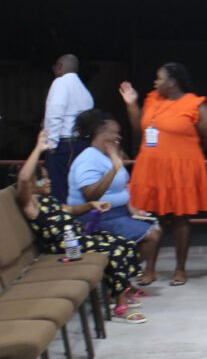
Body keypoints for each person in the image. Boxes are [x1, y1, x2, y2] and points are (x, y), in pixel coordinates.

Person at [18, 131, 146, 323]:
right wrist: (38, 148)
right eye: (42, 179)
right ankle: (120, 306)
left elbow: (70, 209)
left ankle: (119, 291)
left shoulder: (49, 200)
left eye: (47, 177)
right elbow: (23, 178)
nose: (48, 181)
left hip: (78, 239)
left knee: (124, 243)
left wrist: (91, 205)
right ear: (31, 184)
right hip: (64, 248)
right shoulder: (31, 204)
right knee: (115, 251)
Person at [118, 62, 207, 286]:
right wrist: (131, 104)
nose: (155, 82)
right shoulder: (152, 99)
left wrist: (187, 152)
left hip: (181, 170)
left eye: (159, 78)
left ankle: (180, 269)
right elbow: (140, 128)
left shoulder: (195, 104)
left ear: (172, 82)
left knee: (180, 219)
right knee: (153, 218)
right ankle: (150, 269)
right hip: (150, 168)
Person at [67, 109, 162, 276]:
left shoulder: (108, 155)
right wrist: (115, 167)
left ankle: (122, 273)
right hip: (95, 217)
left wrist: (130, 207)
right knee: (152, 235)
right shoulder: (88, 158)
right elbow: (91, 195)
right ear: (102, 134)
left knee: (155, 225)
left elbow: (120, 186)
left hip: (117, 213)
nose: (119, 137)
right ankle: (120, 274)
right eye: (115, 133)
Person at [43, 54, 94, 203]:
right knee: (76, 190)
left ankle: (59, 216)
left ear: (60, 66)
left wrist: (50, 145)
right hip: (82, 144)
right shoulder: (84, 90)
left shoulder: (60, 83)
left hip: (62, 146)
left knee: (58, 190)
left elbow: (55, 114)